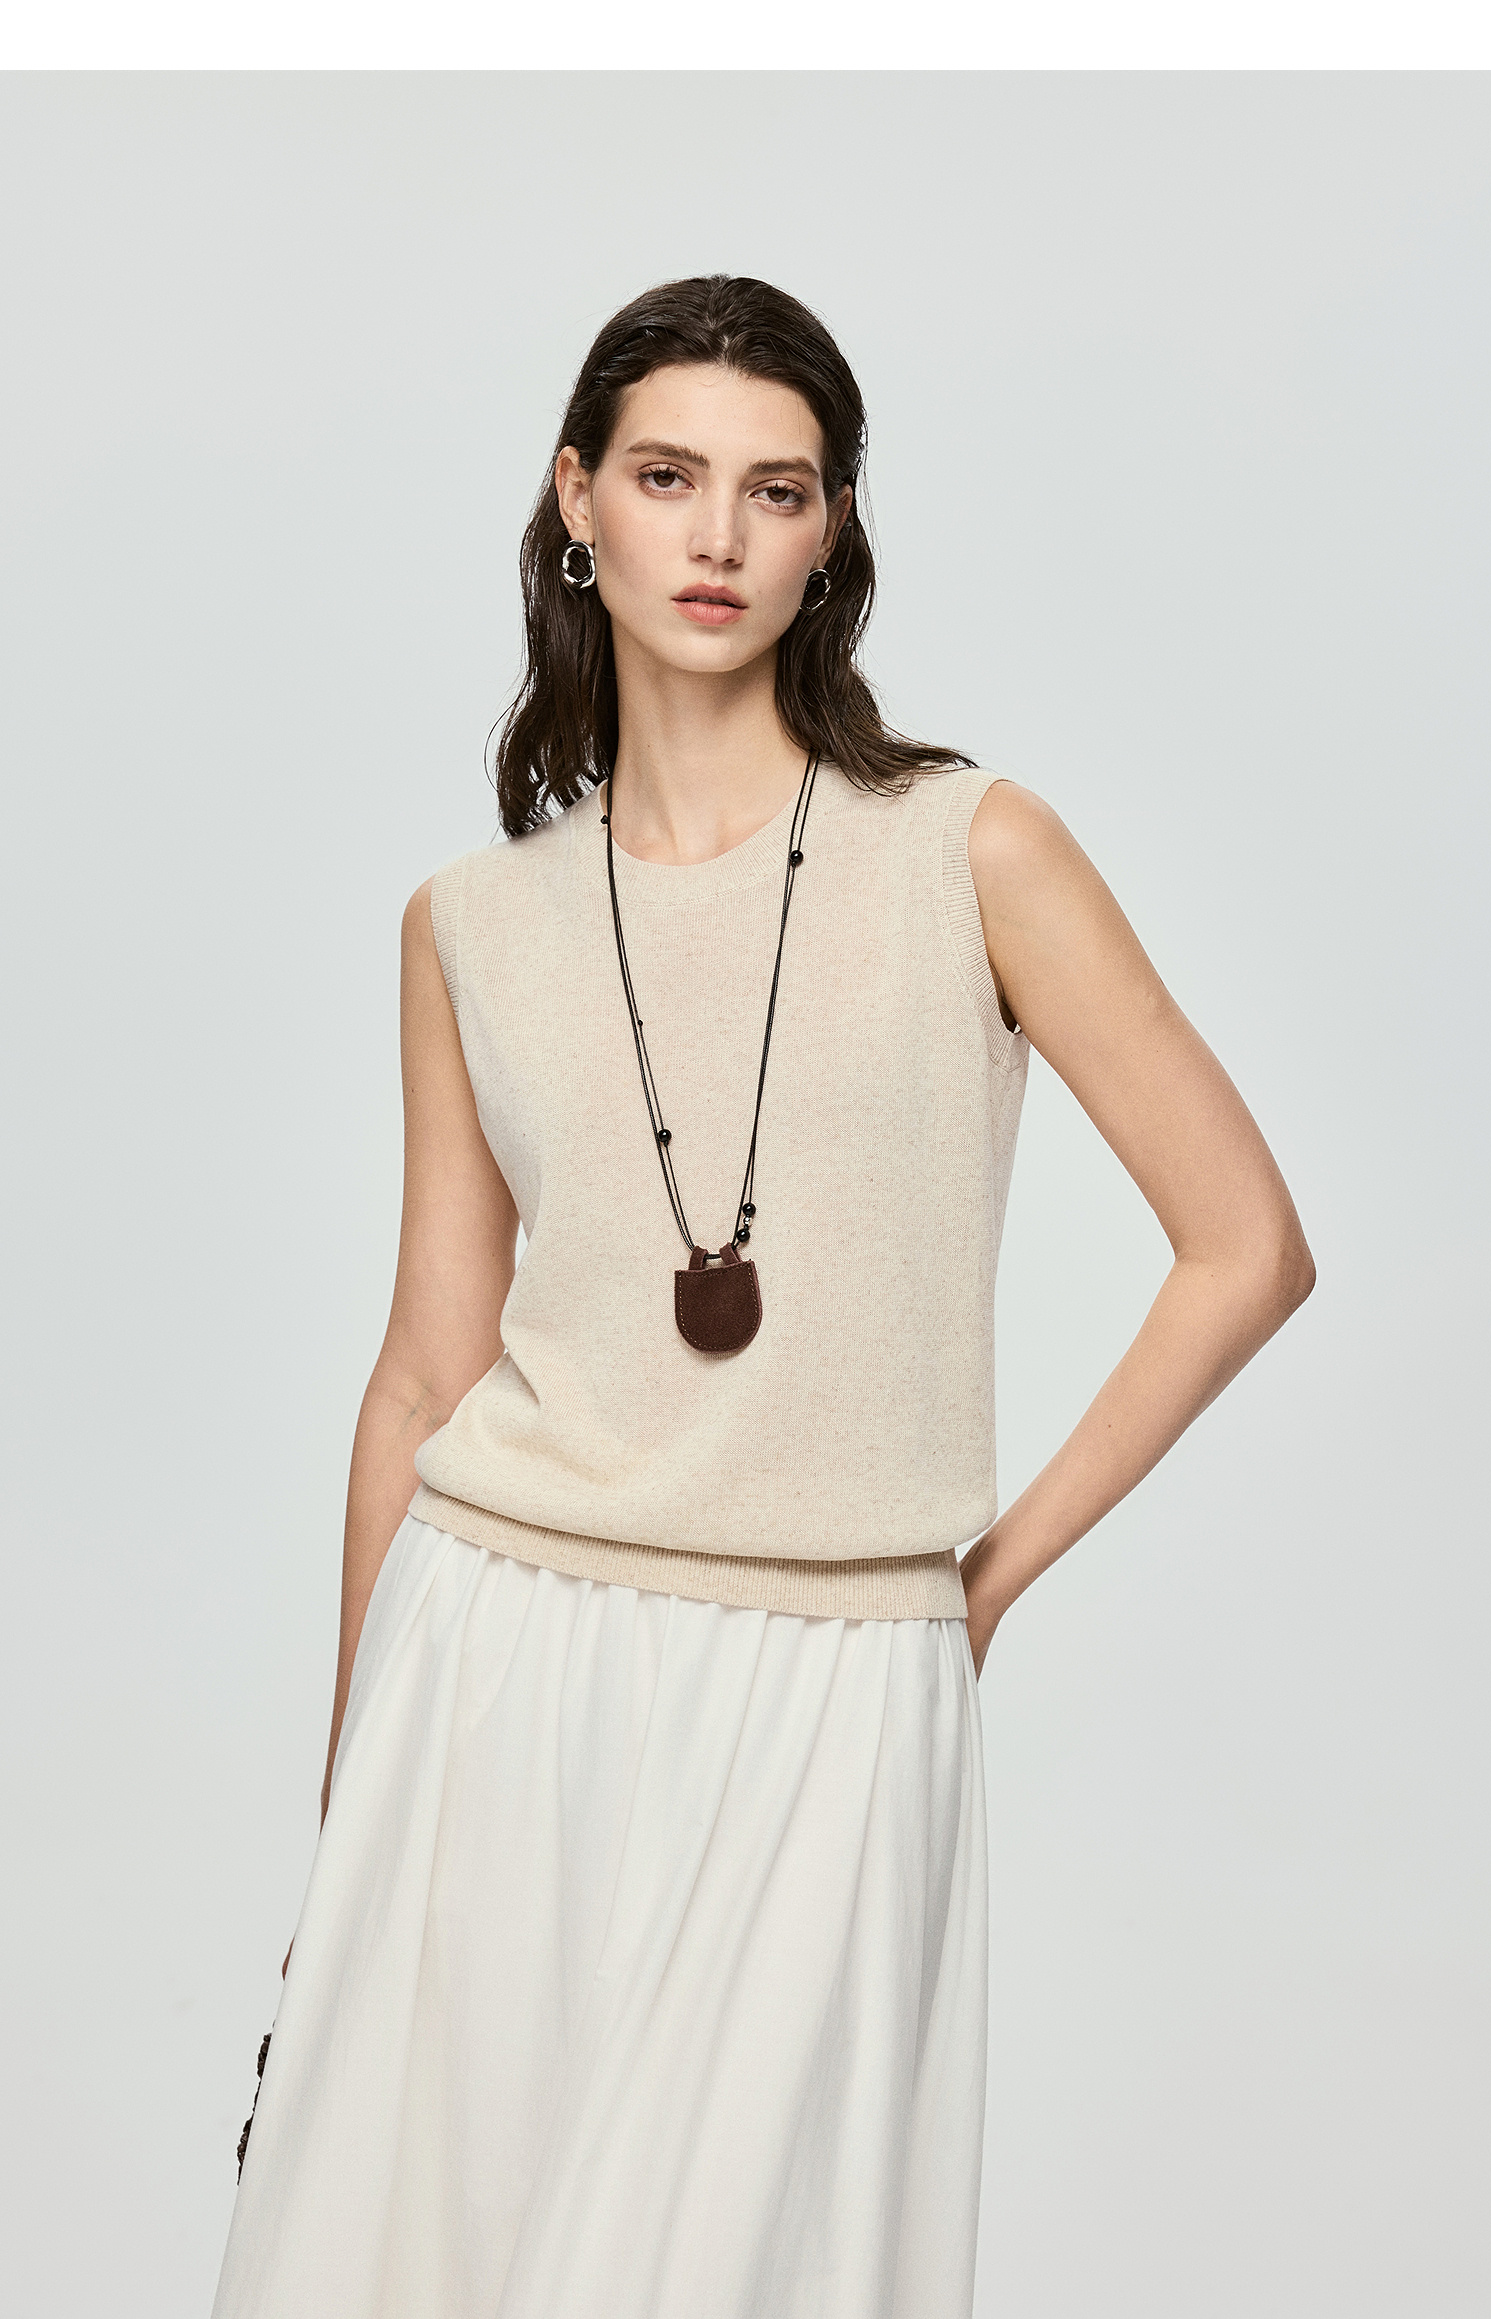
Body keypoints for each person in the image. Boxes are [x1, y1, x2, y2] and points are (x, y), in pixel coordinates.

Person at [211, 274, 1314, 2319]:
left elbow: (1247, 1243)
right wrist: (347, 1819)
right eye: (667, 477)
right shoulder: (470, 923)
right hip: (493, 1661)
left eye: (776, 489)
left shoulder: (975, 848)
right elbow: (422, 1378)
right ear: (576, 501)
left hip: (831, 1684)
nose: (717, 535)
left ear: (832, 532)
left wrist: (979, 1583)